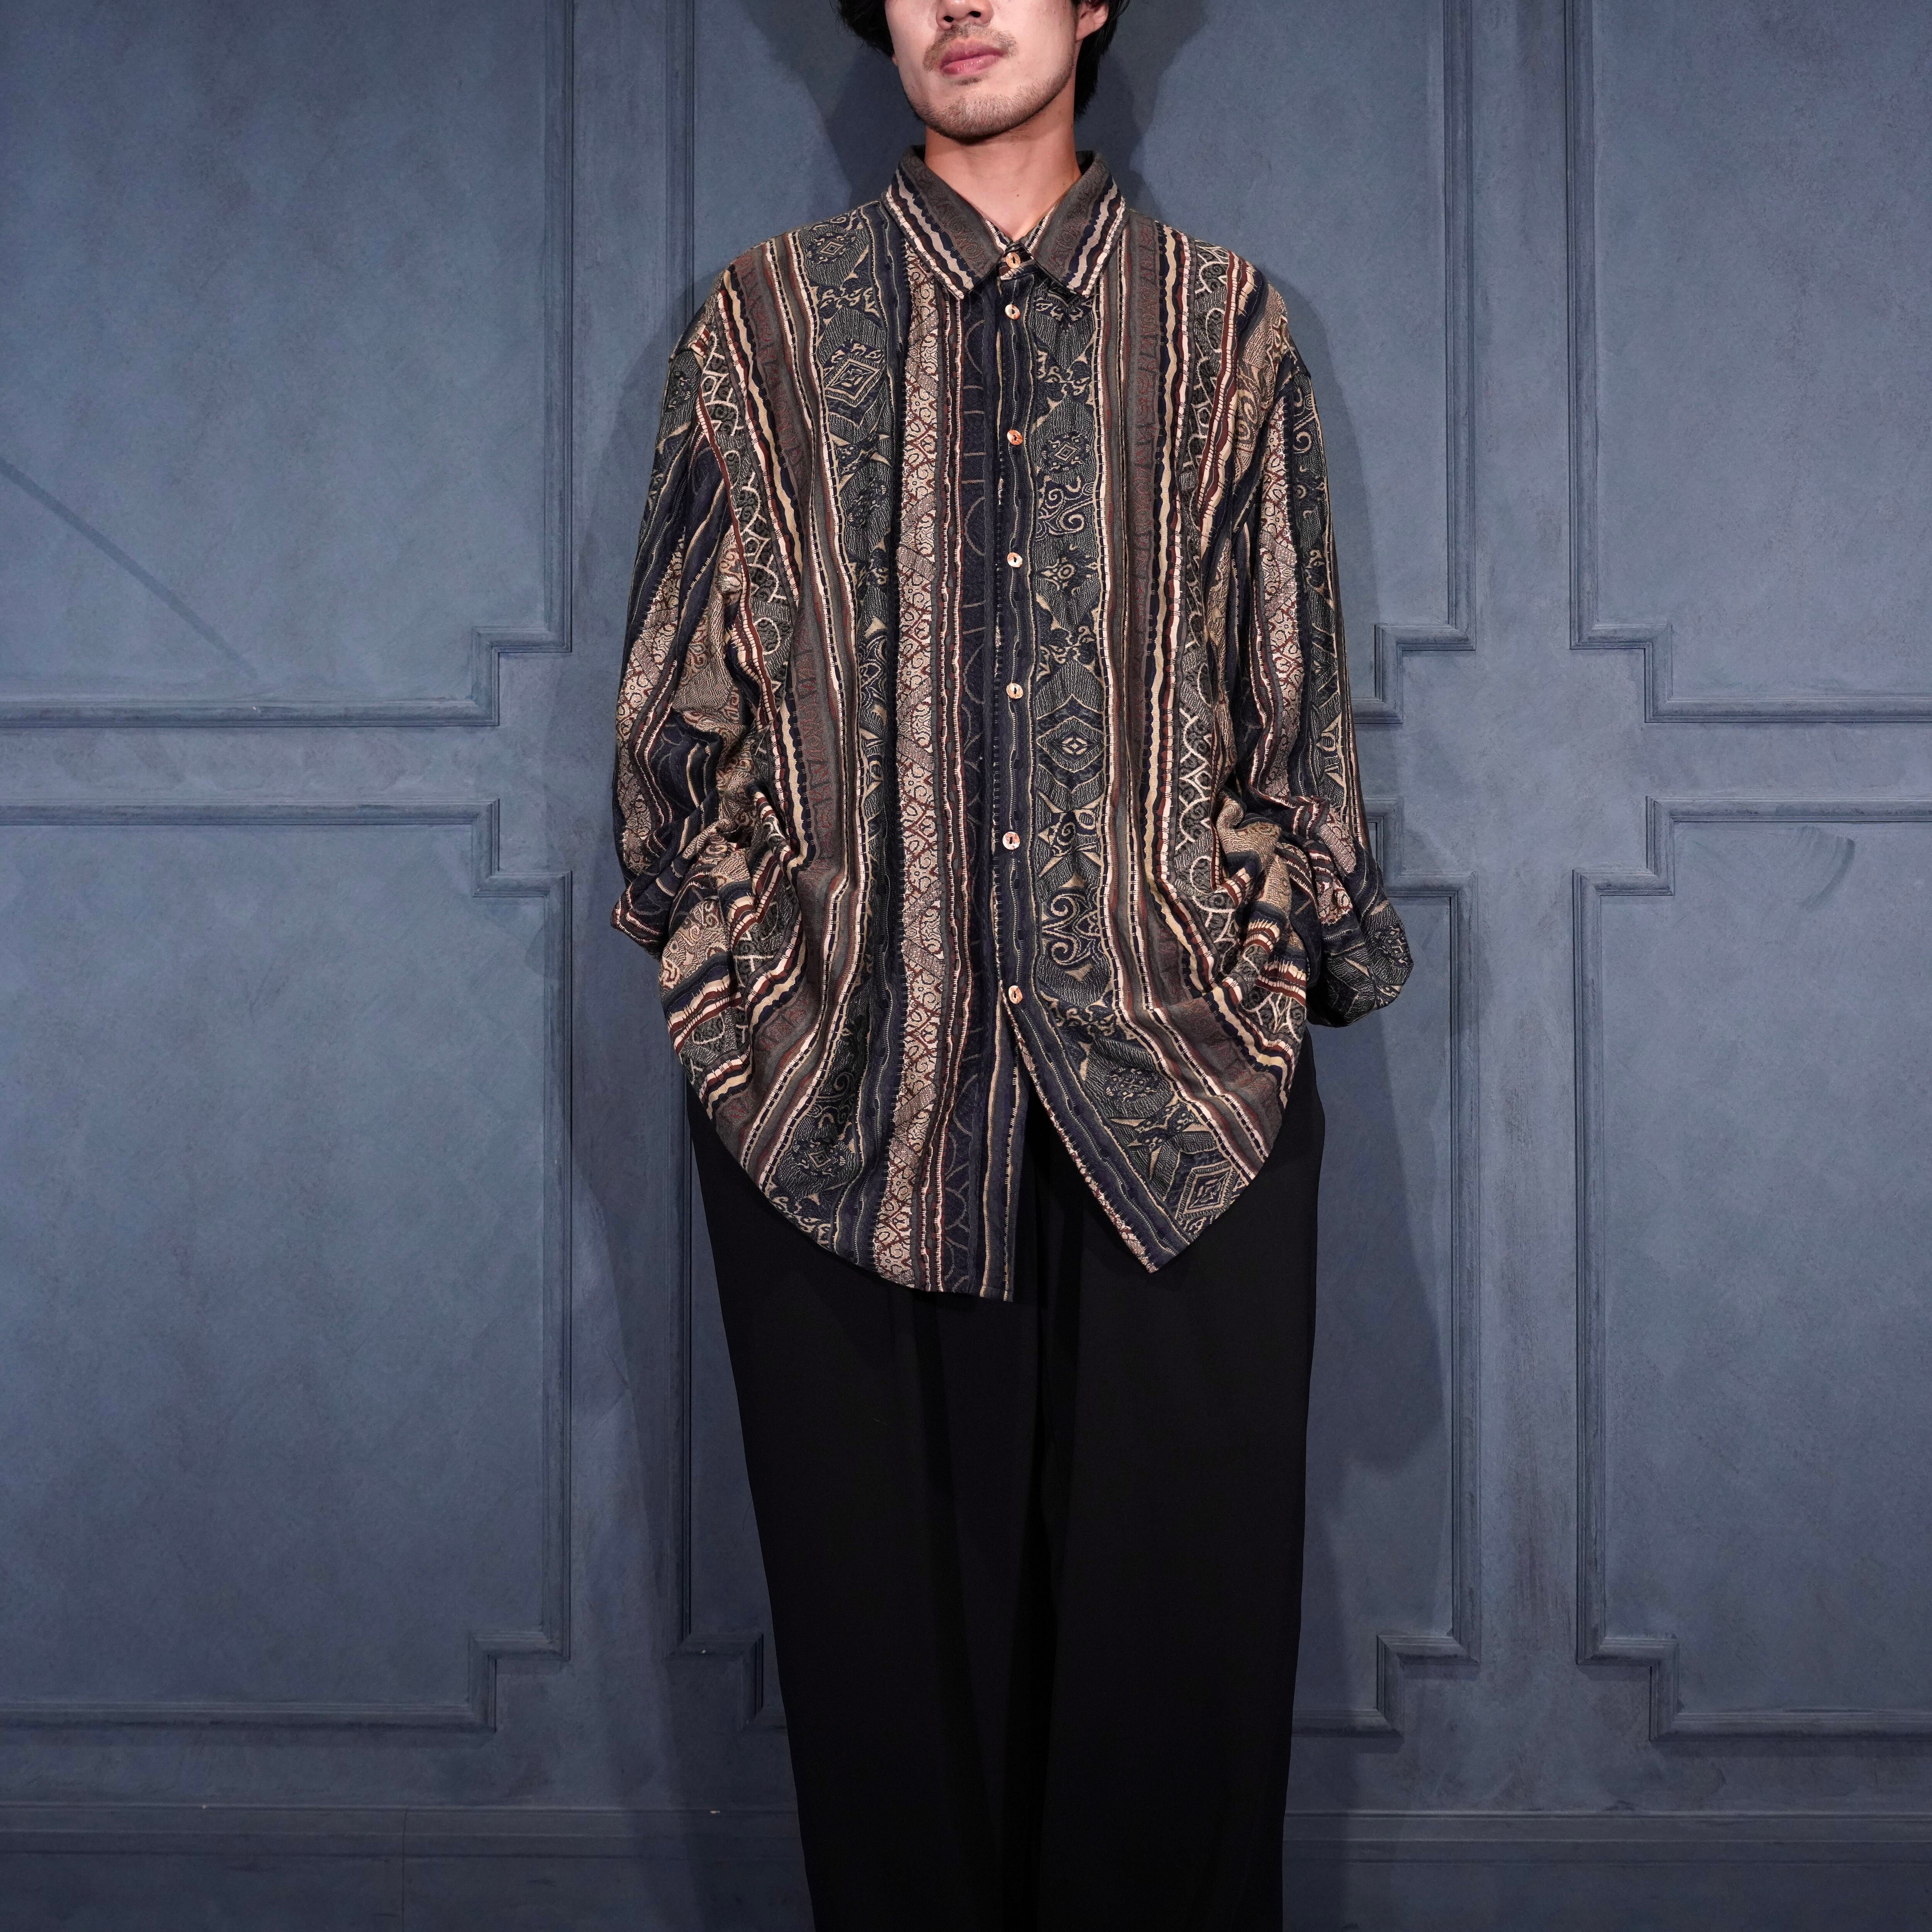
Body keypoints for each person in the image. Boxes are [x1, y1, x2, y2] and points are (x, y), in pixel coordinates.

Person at [611, 2, 1411, 1923]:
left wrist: (1247, 977)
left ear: (1094, 3)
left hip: (1178, 1116)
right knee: (893, 1743)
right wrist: (741, 988)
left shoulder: (1220, 328)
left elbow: (1291, 727)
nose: (959, 5)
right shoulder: (762, 328)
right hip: (836, 1108)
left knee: (1173, 1732)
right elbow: (666, 734)